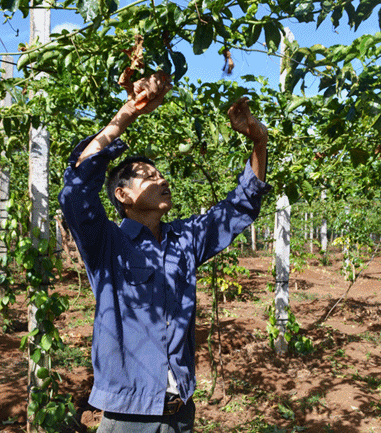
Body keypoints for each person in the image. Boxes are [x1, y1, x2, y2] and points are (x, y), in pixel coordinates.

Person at [58, 71, 271, 433]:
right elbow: (77, 185)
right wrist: (129, 111)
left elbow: (240, 207)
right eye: (147, 175)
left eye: (160, 174)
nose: (161, 180)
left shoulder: (185, 239)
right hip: (129, 415)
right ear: (122, 196)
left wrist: (259, 142)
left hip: (180, 412)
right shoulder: (107, 244)